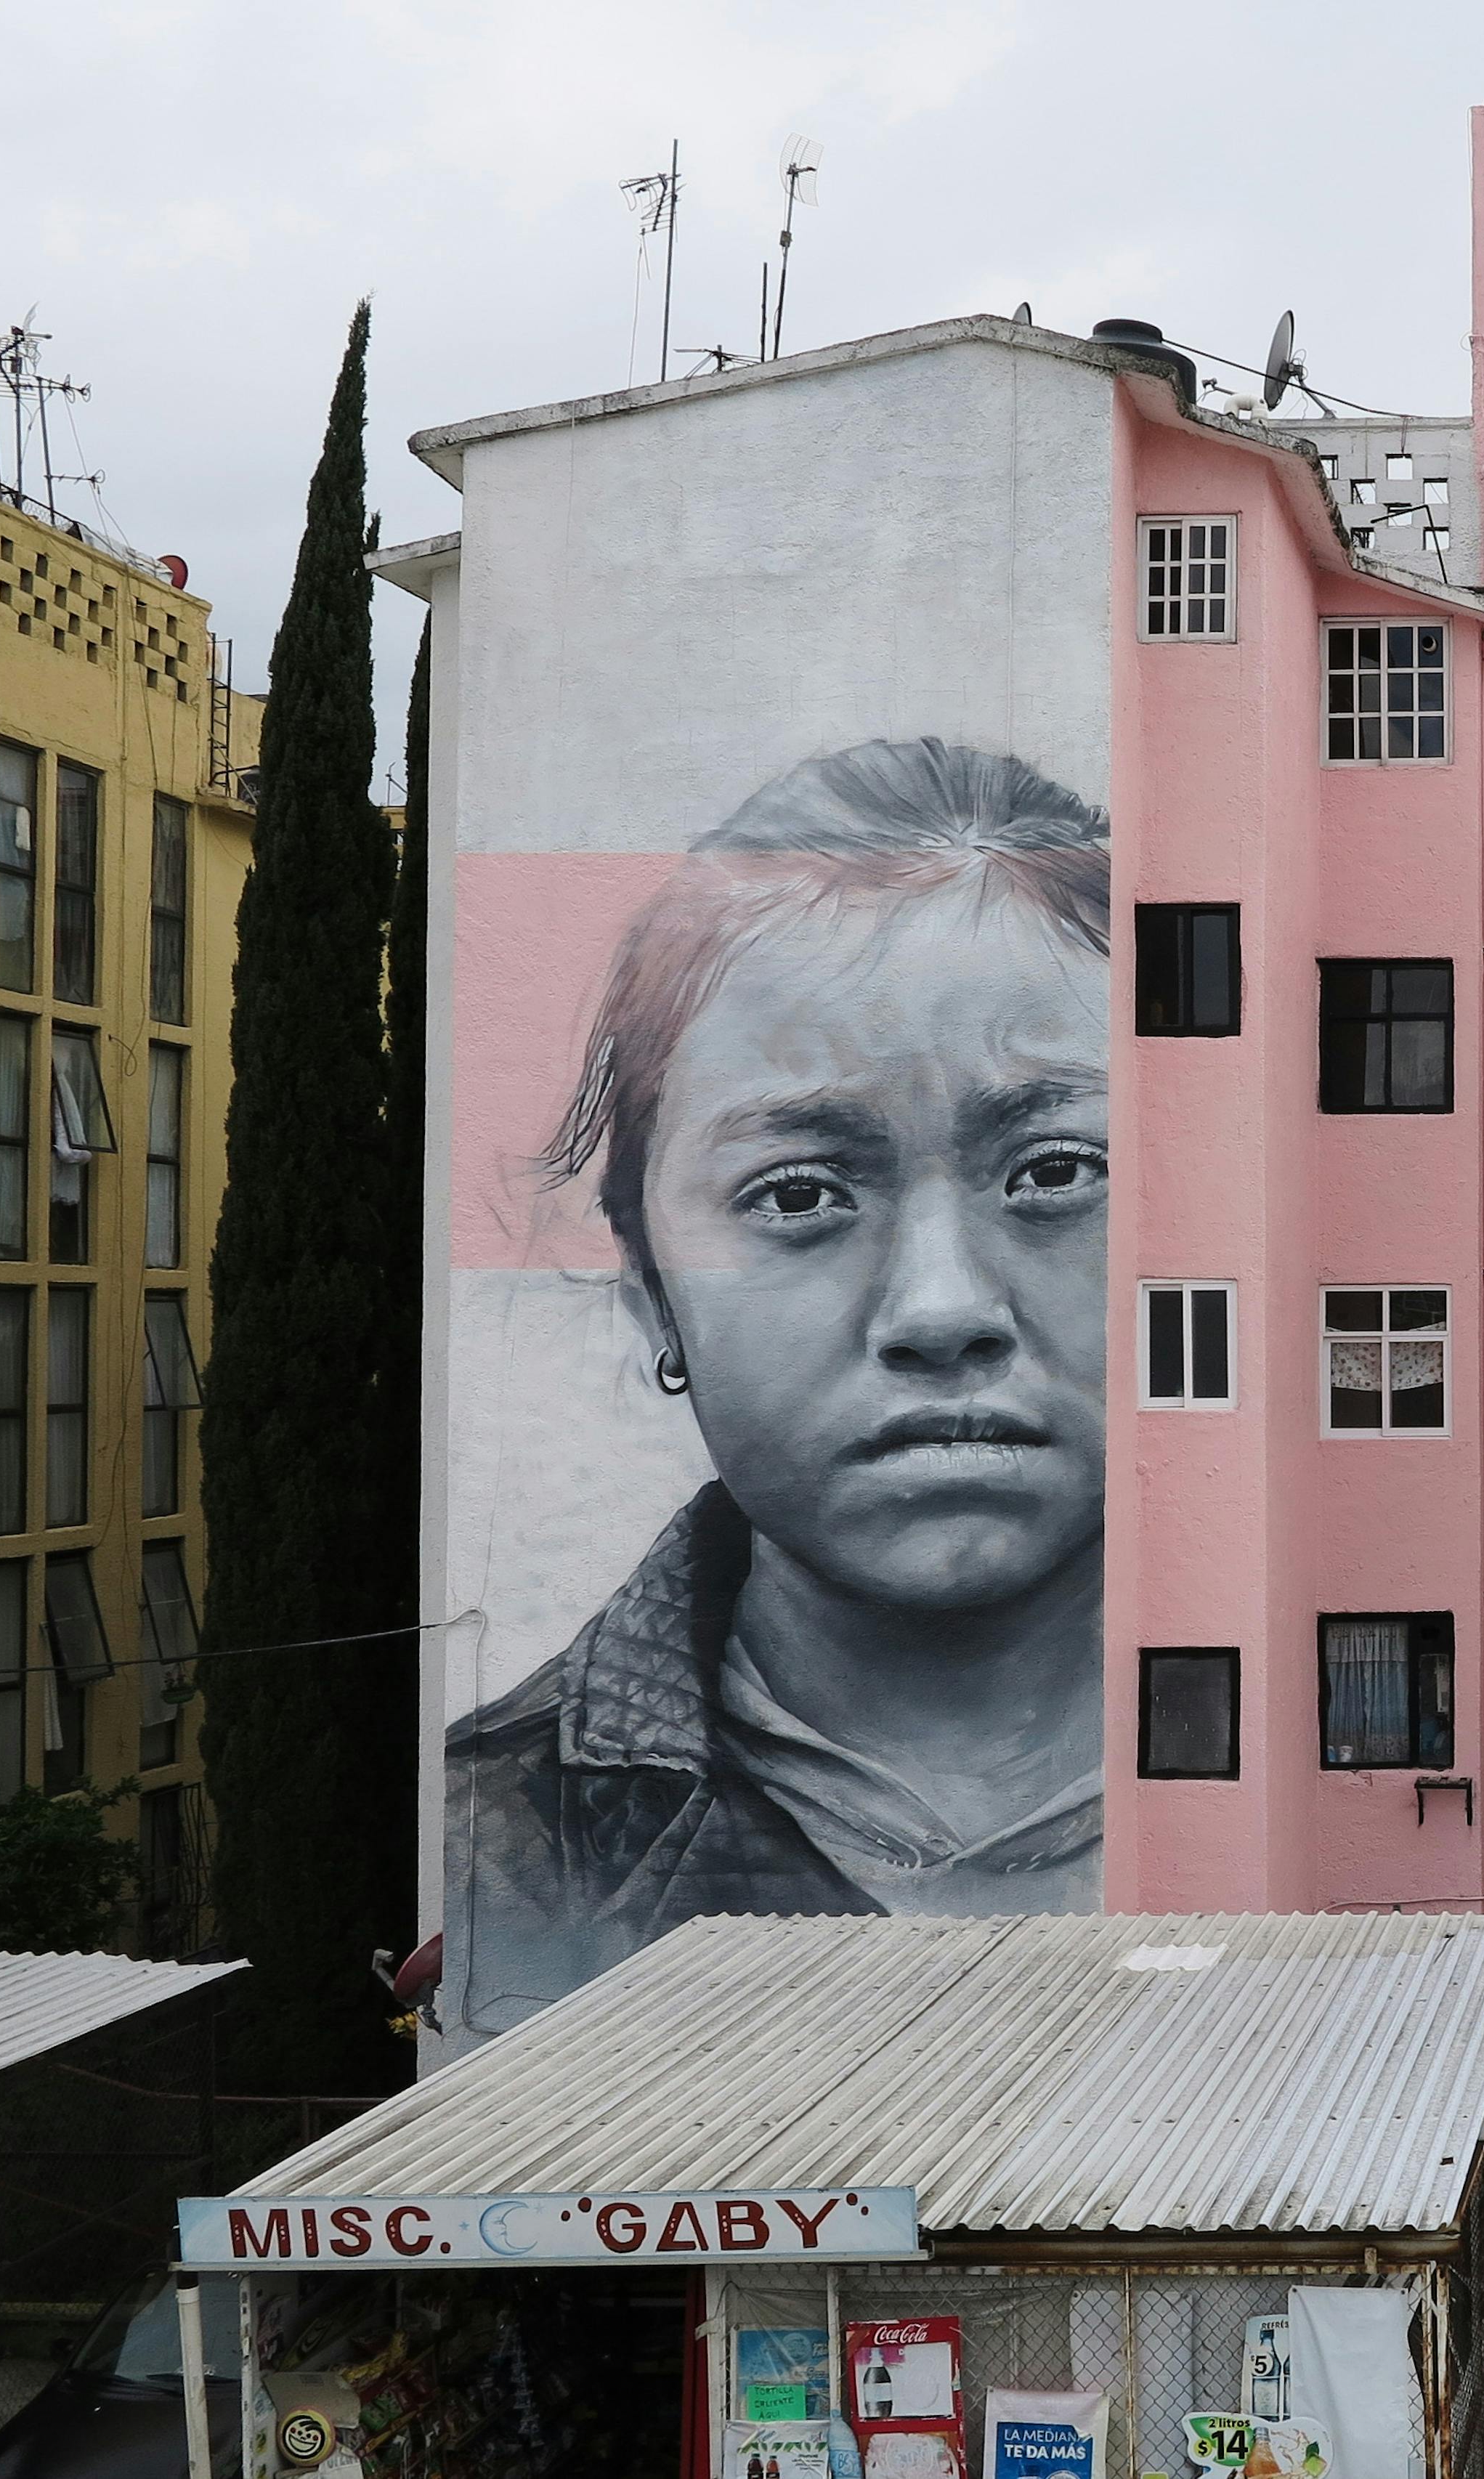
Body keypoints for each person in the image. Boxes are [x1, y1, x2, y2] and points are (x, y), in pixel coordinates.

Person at [448, 738, 1110, 2024]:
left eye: (1053, 1171)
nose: (942, 1310)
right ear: (651, 1288)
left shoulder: (1341, 1769)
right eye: (800, 1194)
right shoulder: (496, 1837)